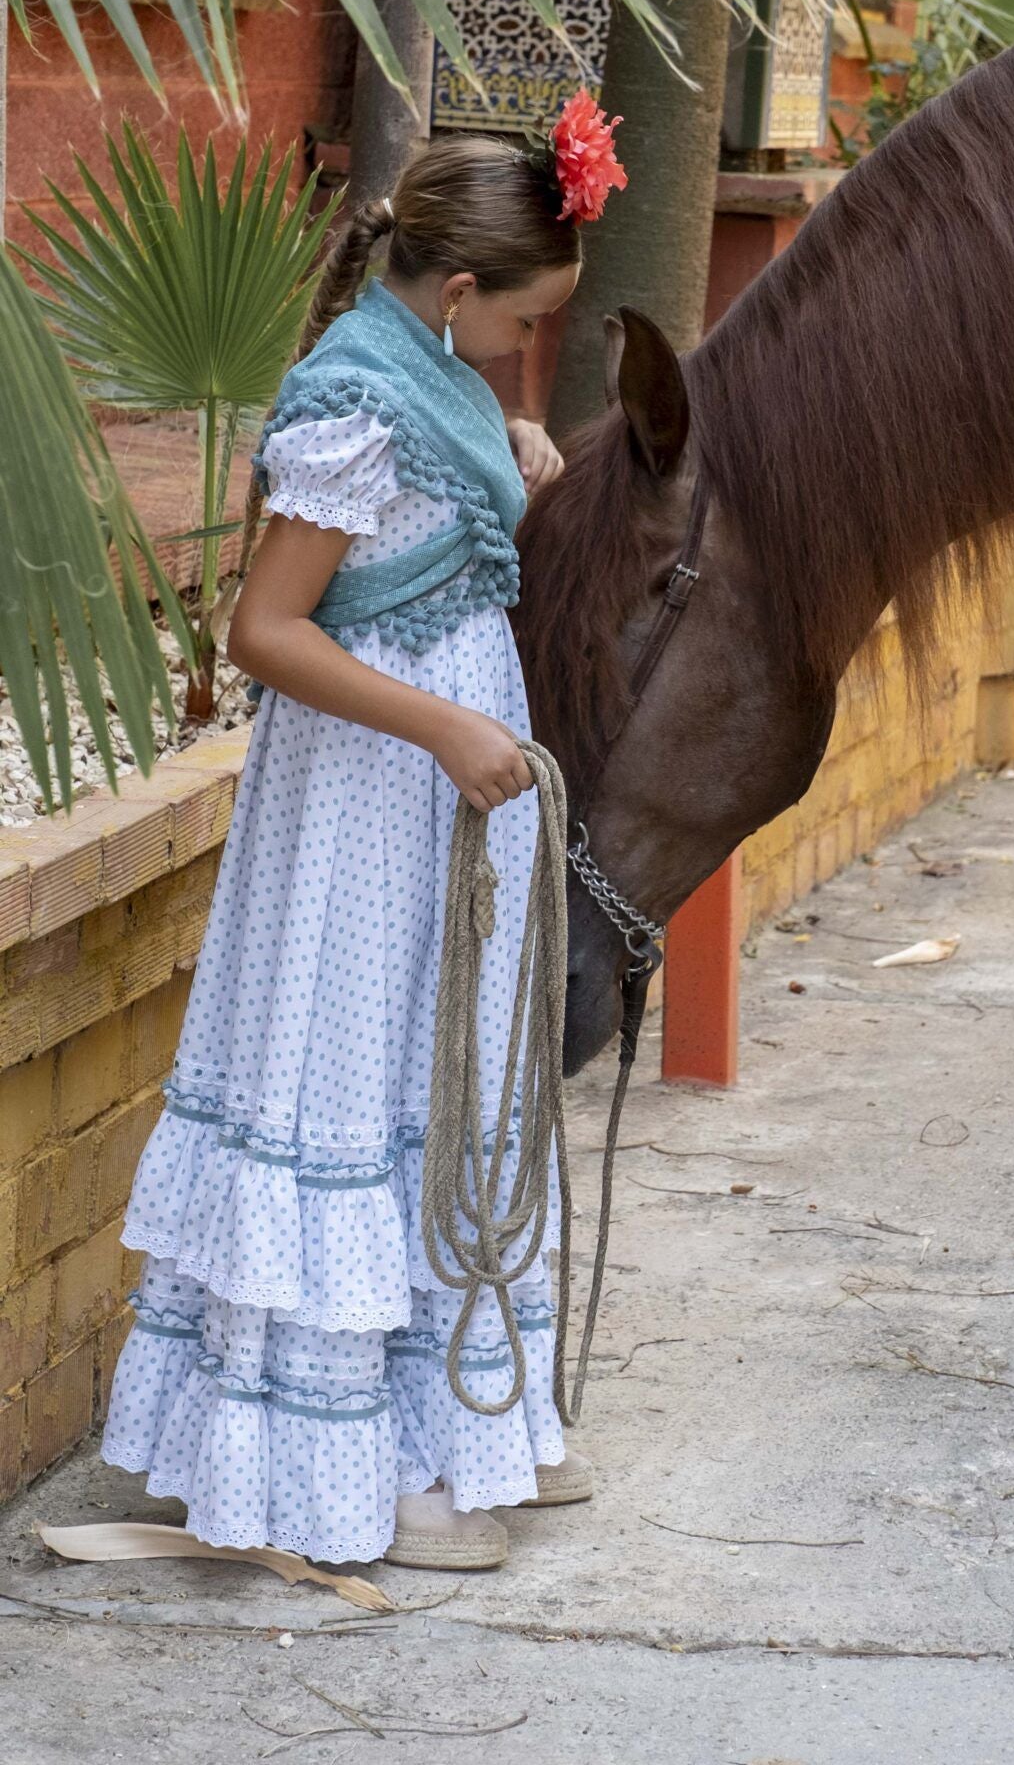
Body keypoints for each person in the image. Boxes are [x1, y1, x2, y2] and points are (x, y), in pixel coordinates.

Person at [101, 96, 626, 1574]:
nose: (525, 355)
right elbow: (265, 630)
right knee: (355, 1082)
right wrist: (449, 727)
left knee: (438, 1076)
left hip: (446, 795)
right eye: (523, 328)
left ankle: (463, 1424)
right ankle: (362, 1476)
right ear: (459, 293)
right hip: (369, 795)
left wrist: (510, 438)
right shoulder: (352, 397)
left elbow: (440, 471)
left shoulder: (438, 368)